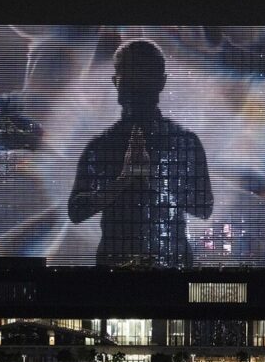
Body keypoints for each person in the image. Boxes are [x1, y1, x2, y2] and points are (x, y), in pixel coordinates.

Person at [68, 39, 213, 267]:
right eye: (131, 79)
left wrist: (153, 179)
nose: (137, 88)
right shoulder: (100, 147)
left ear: (160, 83)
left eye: (143, 79)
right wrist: (125, 180)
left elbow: (205, 208)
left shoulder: (186, 143)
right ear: (117, 83)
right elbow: (75, 211)